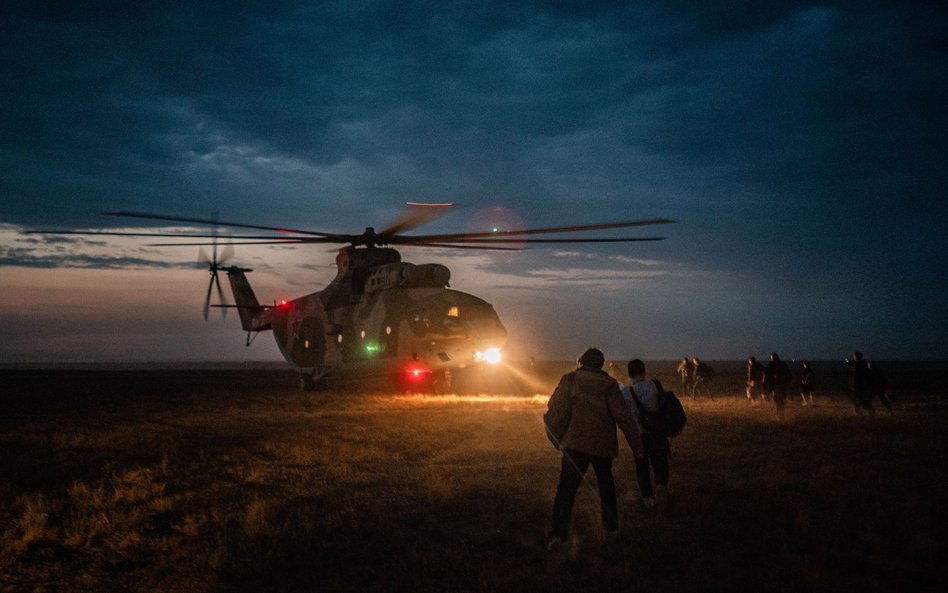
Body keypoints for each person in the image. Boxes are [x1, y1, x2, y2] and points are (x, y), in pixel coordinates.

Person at [546, 348, 643, 548]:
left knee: (566, 490)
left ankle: (558, 535)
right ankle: (611, 530)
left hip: (574, 444)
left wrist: (556, 436)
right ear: (601, 364)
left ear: (581, 362)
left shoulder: (570, 379)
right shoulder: (609, 385)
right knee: (606, 487)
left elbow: (554, 406)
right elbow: (624, 417)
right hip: (602, 446)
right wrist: (637, 447)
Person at [621, 359, 670, 510]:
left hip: (639, 437)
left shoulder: (626, 392)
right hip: (657, 434)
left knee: (642, 467)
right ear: (644, 370)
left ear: (629, 374)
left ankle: (648, 497)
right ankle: (662, 489)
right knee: (660, 463)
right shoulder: (655, 385)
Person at [765, 352, 791, 420]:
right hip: (784, 384)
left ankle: (780, 416)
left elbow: (768, 373)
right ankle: (781, 415)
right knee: (781, 400)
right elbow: (788, 373)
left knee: (778, 401)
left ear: (773, 358)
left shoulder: (773, 364)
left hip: (777, 385)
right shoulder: (783, 364)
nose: (771, 359)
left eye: (771, 358)